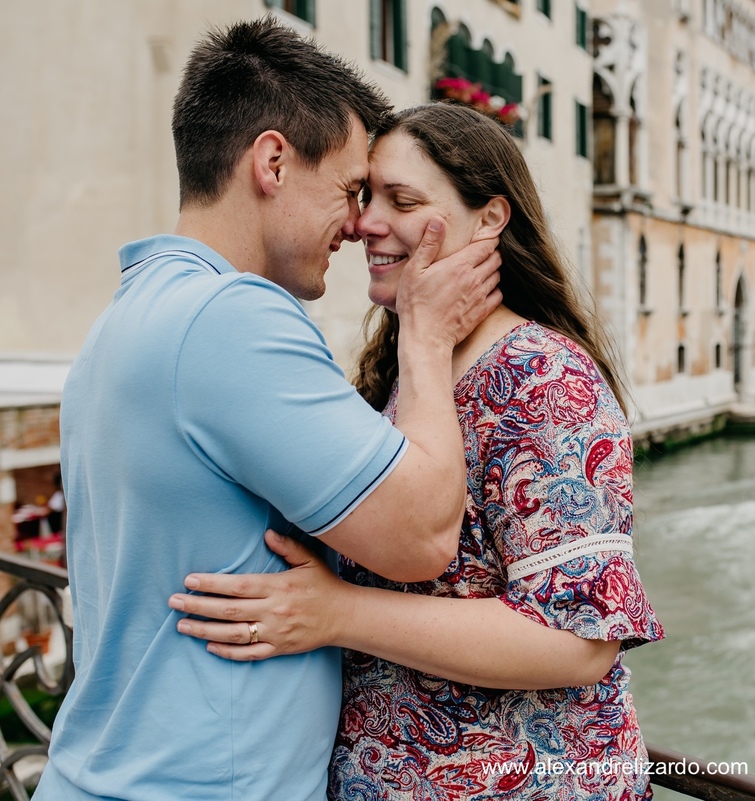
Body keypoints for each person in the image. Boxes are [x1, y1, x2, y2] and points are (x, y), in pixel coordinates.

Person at [37, 20, 501, 801]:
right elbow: (421, 536)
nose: (358, 223)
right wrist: (424, 338)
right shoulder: (231, 317)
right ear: (273, 162)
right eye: (350, 190)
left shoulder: (123, 318)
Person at [169, 103, 664, 799]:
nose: (365, 223)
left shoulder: (545, 379)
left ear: (490, 219)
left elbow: (578, 641)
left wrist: (335, 613)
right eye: (366, 196)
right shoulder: (406, 370)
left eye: (401, 201)